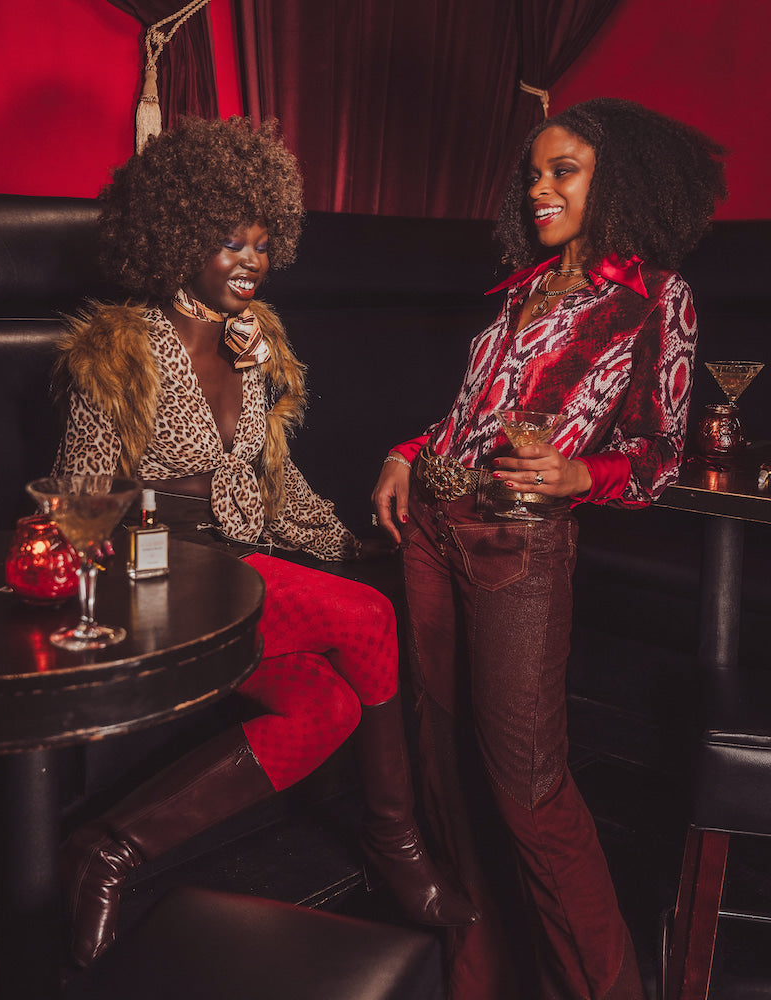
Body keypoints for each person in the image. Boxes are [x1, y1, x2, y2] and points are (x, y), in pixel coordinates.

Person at [55, 115, 477, 968]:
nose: (250, 261)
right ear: (175, 238)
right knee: (367, 621)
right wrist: (93, 602)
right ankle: (398, 845)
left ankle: (108, 849)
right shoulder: (120, 351)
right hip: (155, 573)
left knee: (328, 706)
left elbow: (269, 482)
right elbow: (78, 499)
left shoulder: (260, 344)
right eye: (227, 242)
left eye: (260, 244)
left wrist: (342, 541)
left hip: (236, 572)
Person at [372, 98, 727, 1000]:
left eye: (562, 170)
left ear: (618, 181)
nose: (539, 188)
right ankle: (478, 979)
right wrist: (406, 453)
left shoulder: (654, 298)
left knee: (528, 790)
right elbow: (469, 421)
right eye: (532, 172)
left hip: (517, 546)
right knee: (444, 770)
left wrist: (581, 478)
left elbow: (657, 453)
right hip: (431, 532)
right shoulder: (519, 287)